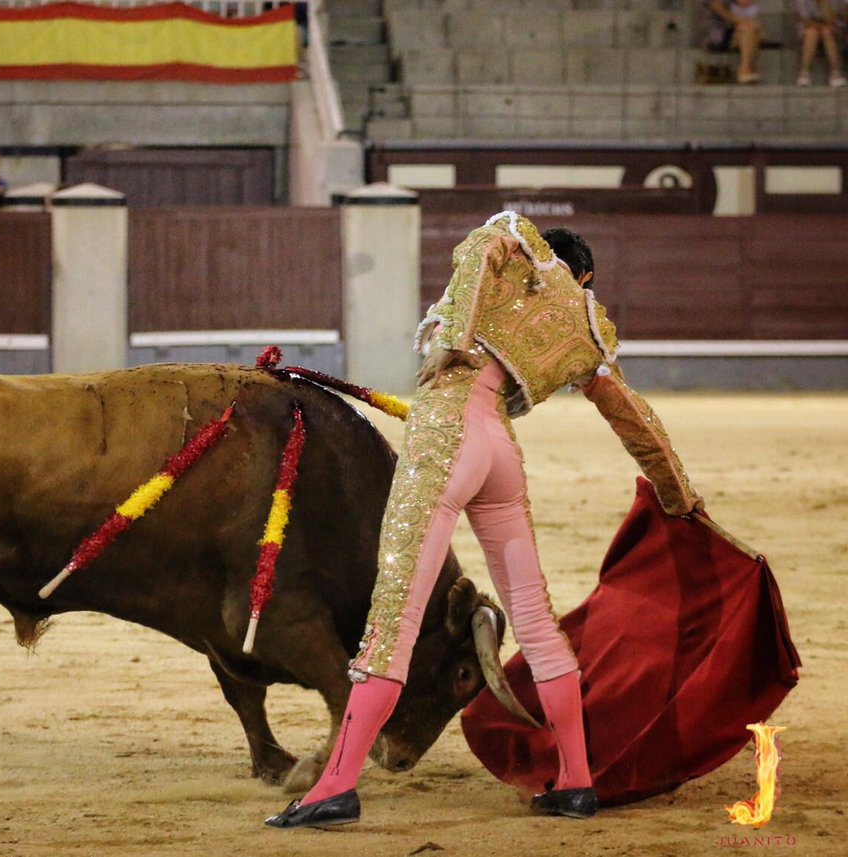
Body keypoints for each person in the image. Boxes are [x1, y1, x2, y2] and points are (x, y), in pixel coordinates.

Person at [265, 212, 702, 830]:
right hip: (500, 451)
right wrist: (680, 495)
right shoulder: (587, 326)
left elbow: (483, 250)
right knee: (536, 620)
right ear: (588, 276)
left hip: (447, 433)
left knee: (395, 616)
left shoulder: (510, 247)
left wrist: (455, 340)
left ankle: (336, 786)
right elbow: (635, 419)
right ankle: (576, 782)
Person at [706, 0, 764, 83]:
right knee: (746, 27)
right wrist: (741, 21)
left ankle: (751, 68)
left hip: (734, 30)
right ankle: (744, 69)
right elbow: (717, 7)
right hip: (717, 34)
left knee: (752, 29)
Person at [795, 0, 847, 85]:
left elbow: (836, 19)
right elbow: (804, 19)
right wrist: (820, 26)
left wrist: (825, 6)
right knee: (811, 33)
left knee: (827, 32)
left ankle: (836, 72)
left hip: (833, 27)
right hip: (810, 27)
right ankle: (804, 73)